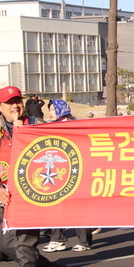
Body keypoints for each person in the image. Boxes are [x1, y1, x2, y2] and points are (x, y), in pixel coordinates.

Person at [0, 86, 67, 267]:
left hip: (31, 196)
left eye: (17, 101)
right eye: (9, 103)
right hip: (6, 198)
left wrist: (24, 134)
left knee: (25, 246)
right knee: (7, 246)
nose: (15, 106)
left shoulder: (36, 125)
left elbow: (56, 150)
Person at [41, 100, 94, 253]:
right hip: (57, 172)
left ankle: (84, 241)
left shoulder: (73, 126)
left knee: (77, 208)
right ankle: (57, 239)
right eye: (50, 109)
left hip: (75, 171)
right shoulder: (50, 126)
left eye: (53, 109)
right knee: (55, 205)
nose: (50, 112)